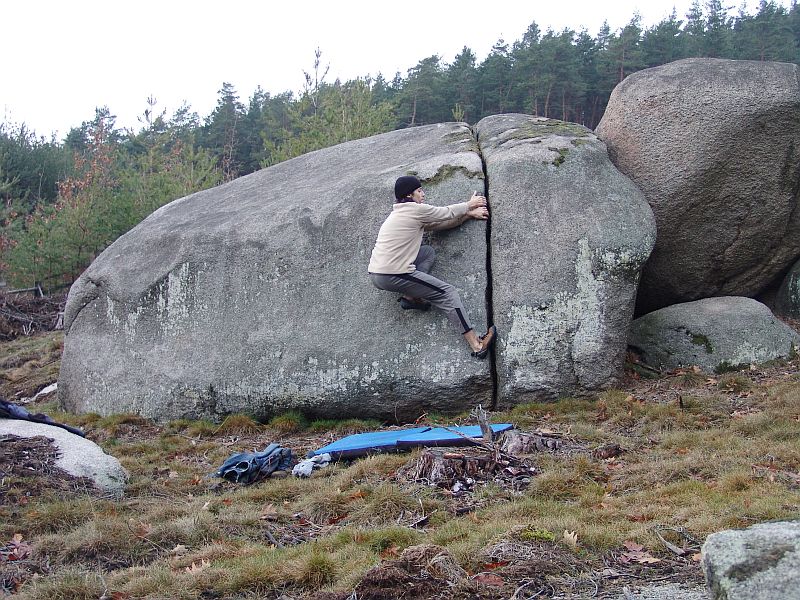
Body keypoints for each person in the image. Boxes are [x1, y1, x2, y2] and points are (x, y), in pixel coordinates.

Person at [368, 175, 497, 358]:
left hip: (377, 274)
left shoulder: (401, 213)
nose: (423, 193)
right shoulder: (414, 210)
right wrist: (470, 204)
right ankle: (477, 345)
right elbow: (445, 212)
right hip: (393, 273)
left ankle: (411, 297)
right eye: (419, 190)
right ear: (409, 195)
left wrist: (468, 215)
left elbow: (439, 223)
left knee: (427, 252)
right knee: (447, 293)